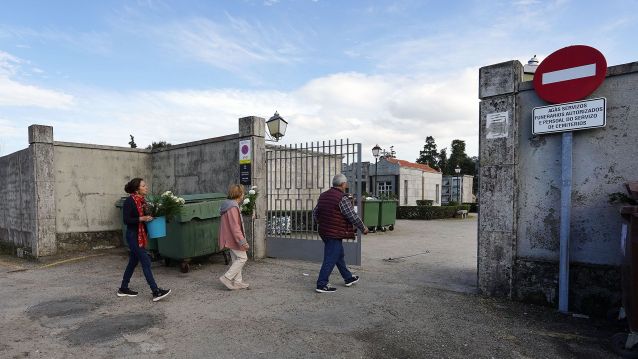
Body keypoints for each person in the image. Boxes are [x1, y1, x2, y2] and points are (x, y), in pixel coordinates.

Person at [117, 178, 171, 302]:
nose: (146, 187)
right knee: (146, 261)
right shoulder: (130, 201)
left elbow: (144, 217)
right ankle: (155, 291)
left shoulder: (142, 201)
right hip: (133, 236)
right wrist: (142, 218)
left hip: (140, 235)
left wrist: (150, 217)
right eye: (143, 185)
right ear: (137, 189)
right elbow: (126, 220)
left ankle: (123, 288)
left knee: (133, 262)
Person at [313, 174, 369, 293]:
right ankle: (322, 284)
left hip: (324, 231)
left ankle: (348, 278)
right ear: (343, 184)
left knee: (338, 255)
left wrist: (321, 223)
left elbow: (315, 212)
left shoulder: (323, 196)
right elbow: (351, 215)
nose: (346, 185)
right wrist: (363, 227)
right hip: (334, 233)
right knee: (331, 257)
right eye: (346, 183)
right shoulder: (342, 198)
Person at [218, 184, 250, 290]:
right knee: (242, 258)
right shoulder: (232, 207)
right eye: (243, 193)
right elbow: (235, 227)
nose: (244, 195)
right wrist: (243, 241)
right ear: (239, 194)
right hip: (233, 238)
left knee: (236, 258)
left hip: (230, 237)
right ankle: (227, 277)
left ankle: (237, 282)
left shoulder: (229, 204)